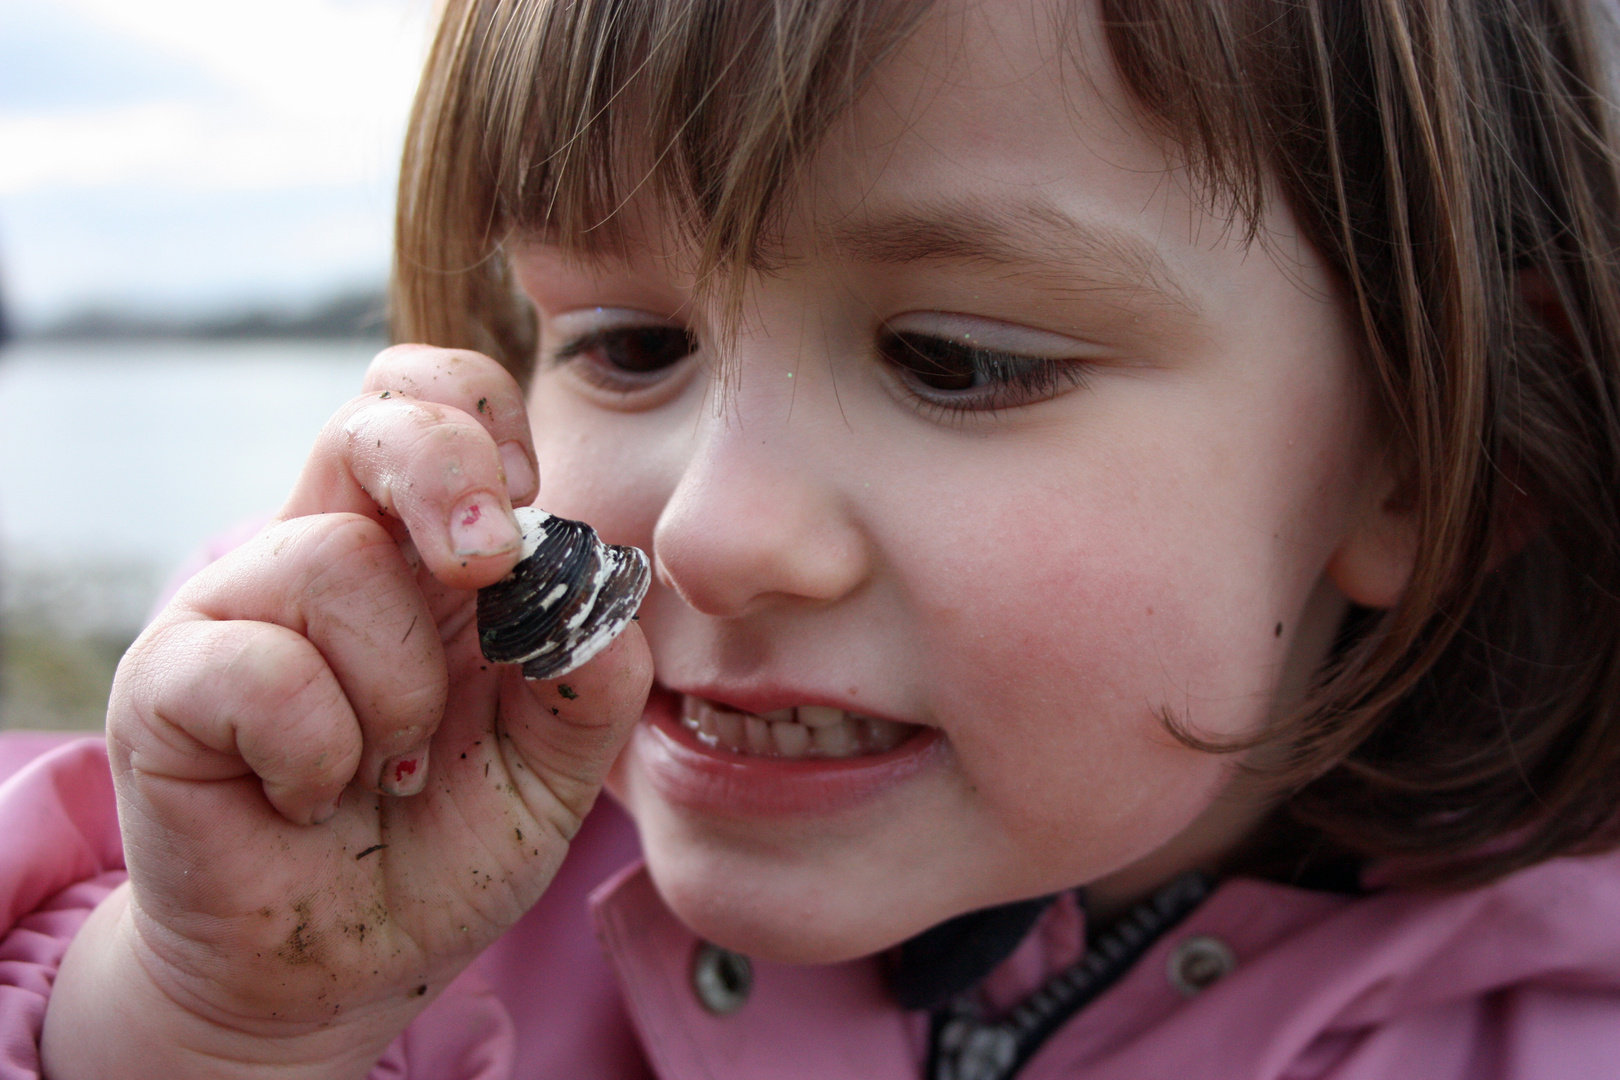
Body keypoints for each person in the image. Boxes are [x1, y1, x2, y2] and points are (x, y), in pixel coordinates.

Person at [7, 0, 1620, 1075]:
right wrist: (213, 1011)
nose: (715, 531)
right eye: (629, 344)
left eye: (956, 360)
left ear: (1418, 457)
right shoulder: (394, 863)